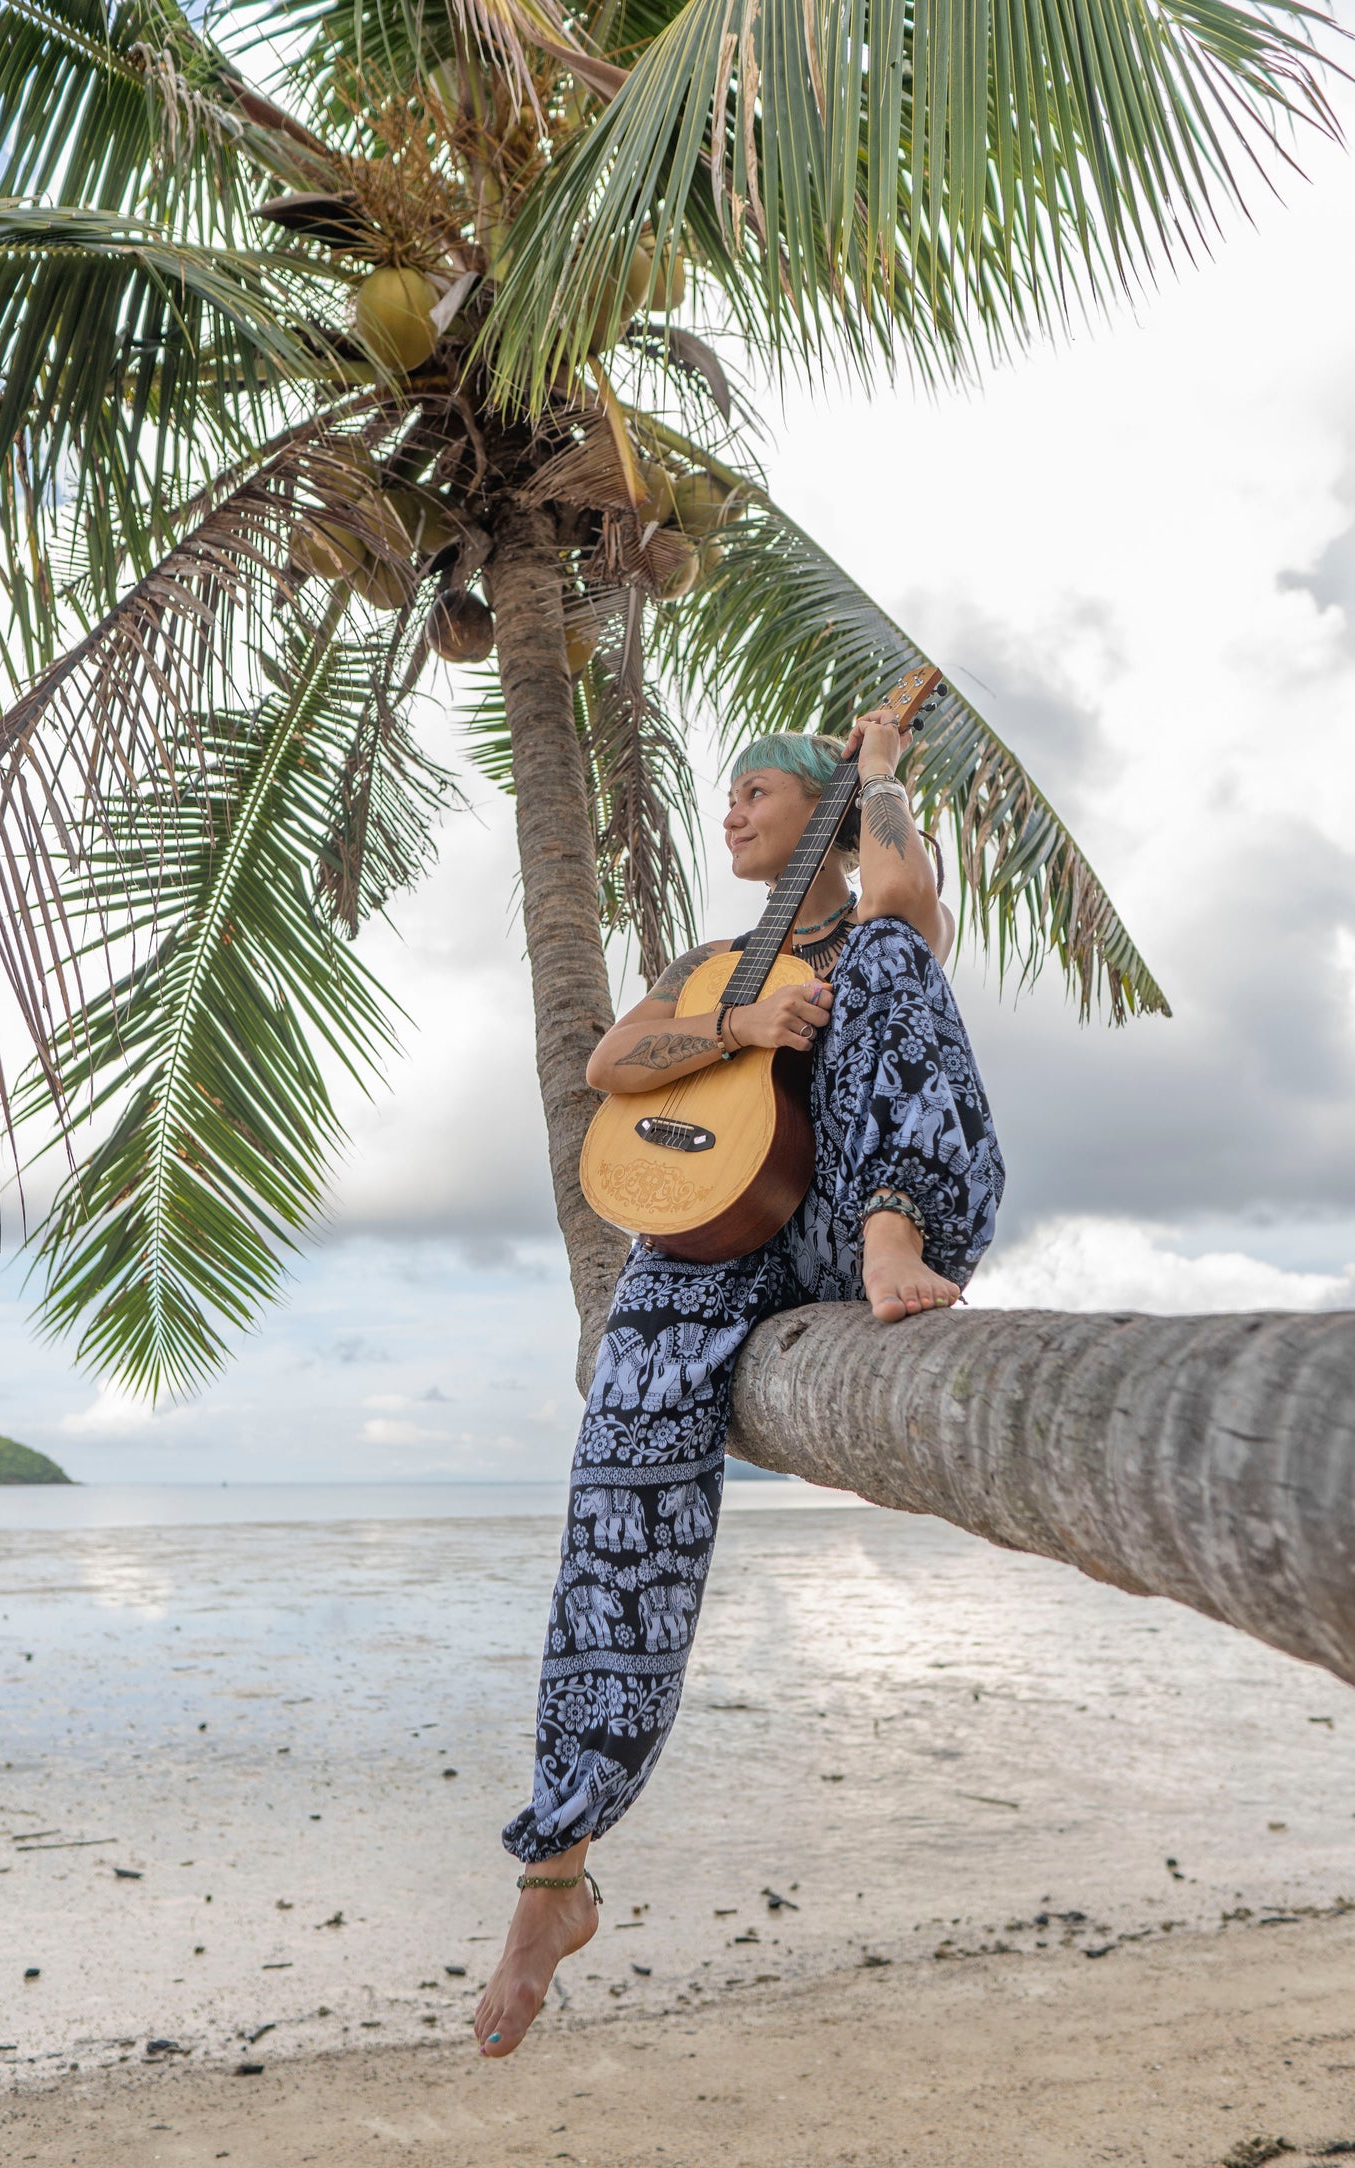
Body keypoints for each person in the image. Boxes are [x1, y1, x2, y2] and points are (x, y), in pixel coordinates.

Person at [474, 702, 1005, 2056]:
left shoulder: (867, 911)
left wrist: (875, 775)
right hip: (708, 1238)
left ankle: (900, 1228)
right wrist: (742, 1022)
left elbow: (905, 889)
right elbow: (608, 1065)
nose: (730, 816)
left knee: (891, 956)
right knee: (618, 1509)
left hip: (838, 1219)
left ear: (817, 813)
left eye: (755, 793)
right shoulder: (710, 962)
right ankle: (555, 1870)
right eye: (723, 801)